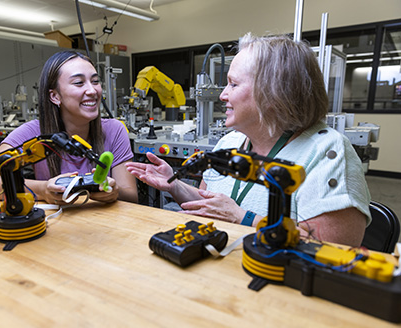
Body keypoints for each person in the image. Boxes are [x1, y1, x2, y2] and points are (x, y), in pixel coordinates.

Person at [126, 33, 371, 247]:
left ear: (274, 94)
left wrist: (243, 218)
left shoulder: (327, 152)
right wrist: (174, 186)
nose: (222, 95)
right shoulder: (231, 142)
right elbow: (210, 205)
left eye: (233, 84)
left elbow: (332, 248)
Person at [0, 51, 138, 204]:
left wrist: (114, 193)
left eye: (95, 81)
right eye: (79, 82)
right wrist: (42, 190)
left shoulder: (114, 130)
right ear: (54, 96)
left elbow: (131, 197)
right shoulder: (33, 132)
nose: (92, 90)